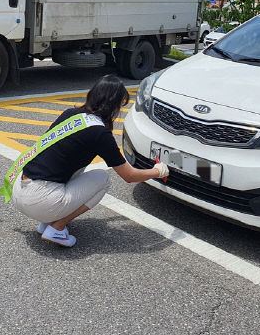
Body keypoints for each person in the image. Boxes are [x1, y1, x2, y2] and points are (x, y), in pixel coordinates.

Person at [10, 74, 169, 247]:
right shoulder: (100, 133)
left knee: (73, 164)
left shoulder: (70, 114)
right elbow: (129, 175)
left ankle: (47, 220)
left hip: (19, 191)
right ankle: (57, 227)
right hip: (40, 200)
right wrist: (159, 171)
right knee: (103, 178)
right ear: (113, 106)